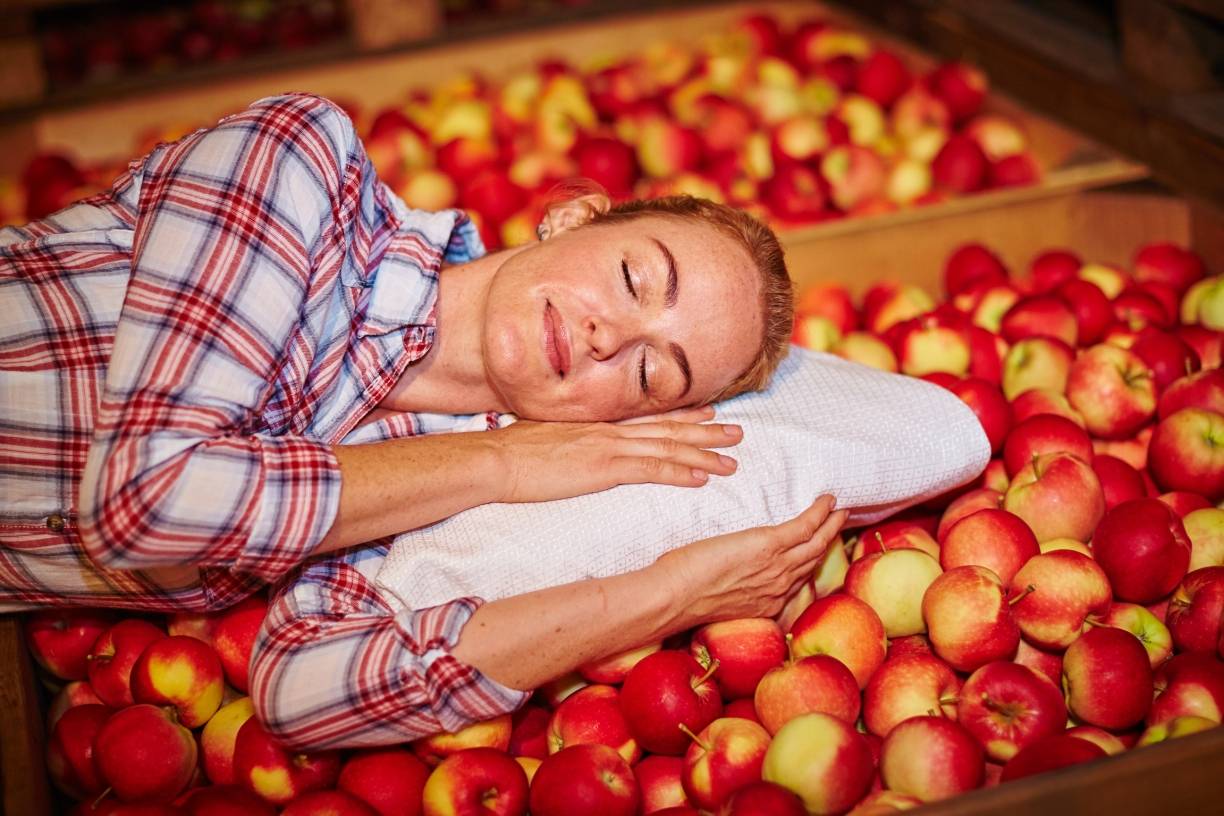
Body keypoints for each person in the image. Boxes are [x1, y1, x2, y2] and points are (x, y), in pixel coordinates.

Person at [0, 93, 847, 748]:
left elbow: (299, 690)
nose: (609, 335)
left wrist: (670, 593)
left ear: (636, 418)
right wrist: (500, 467)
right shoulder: (300, 168)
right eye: (633, 279)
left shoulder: (438, 502)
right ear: (574, 215)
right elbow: (147, 501)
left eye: (652, 370)